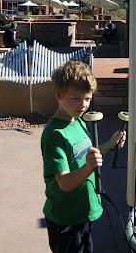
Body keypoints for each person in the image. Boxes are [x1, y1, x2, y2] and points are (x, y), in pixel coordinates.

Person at [41, 60, 126, 253]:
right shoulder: (54, 134)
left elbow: (85, 154)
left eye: (87, 98)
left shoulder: (76, 120)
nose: (83, 105)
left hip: (84, 213)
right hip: (66, 218)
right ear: (58, 95)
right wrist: (88, 168)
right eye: (76, 98)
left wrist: (109, 145)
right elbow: (63, 182)